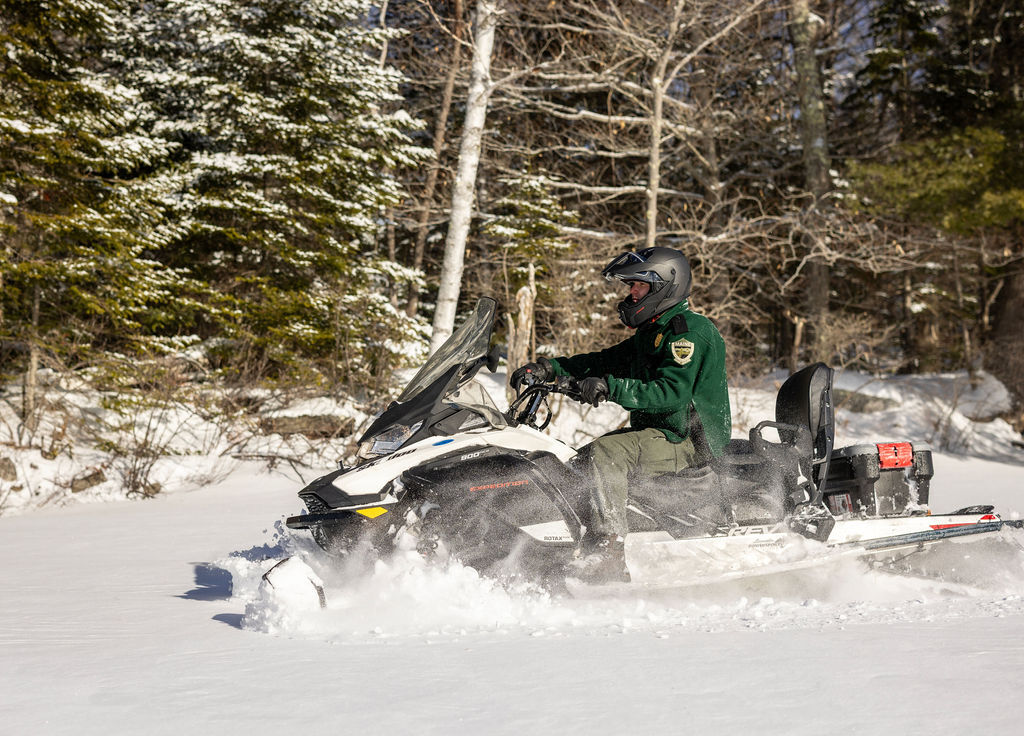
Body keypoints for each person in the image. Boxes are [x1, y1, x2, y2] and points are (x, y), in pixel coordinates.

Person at [510, 247, 731, 583]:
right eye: (631, 287)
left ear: (662, 286)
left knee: (606, 454)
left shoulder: (688, 332)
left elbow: (672, 393)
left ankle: (609, 553)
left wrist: (610, 389)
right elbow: (603, 361)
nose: (631, 293)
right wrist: (549, 368)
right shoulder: (653, 332)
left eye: (638, 287)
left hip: (686, 440)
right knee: (580, 461)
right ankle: (565, 546)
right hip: (660, 434)